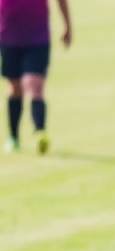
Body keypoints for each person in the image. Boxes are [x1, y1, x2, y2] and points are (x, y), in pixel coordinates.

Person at [0, 0, 69, 155]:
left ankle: (40, 132)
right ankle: (13, 137)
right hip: (8, 36)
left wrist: (67, 25)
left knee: (35, 84)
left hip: (37, 37)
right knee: (14, 88)